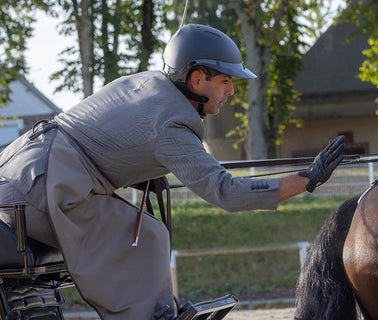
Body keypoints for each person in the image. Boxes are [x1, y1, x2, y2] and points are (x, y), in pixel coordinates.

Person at [0, 24, 344, 320]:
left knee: (151, 233)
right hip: (42, 188)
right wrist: (306, 179)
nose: (231, 91)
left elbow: (107, 139)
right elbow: (226, 193)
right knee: (144, 237)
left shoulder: (150, 83)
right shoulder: (173, 123)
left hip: (29, 170)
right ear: (197, 79)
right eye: (225, 80)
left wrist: (140, 172)